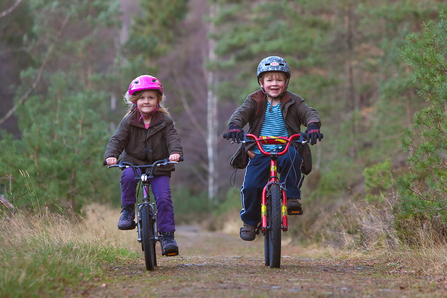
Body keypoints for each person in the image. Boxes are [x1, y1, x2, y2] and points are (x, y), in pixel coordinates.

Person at [226, 56, 322, 241]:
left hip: (286, 146)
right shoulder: (254, 100)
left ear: (286, 82)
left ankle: (292, 197)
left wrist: (312, 126)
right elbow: (240, 115)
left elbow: (309, 112)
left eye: (279, 79)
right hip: (259, 149)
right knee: (251, 186)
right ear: (261, 82)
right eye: (269, 80)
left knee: (292, 157)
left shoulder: (294, 100)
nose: (274, 83)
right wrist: (235, 128)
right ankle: (250, 221)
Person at [105, 75, 183, 255]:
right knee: (127, 177)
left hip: (160, 165)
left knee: (163, 198)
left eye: (150, 97)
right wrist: (111, 155)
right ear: (134, 101)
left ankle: (167, 235)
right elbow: (117, 140)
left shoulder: (165, 121)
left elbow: (173, 139)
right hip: (134, 163)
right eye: (141, 98)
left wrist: (175, 153)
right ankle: (127, 210)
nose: (146, 101)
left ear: (158, 100)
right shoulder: (129, 121)